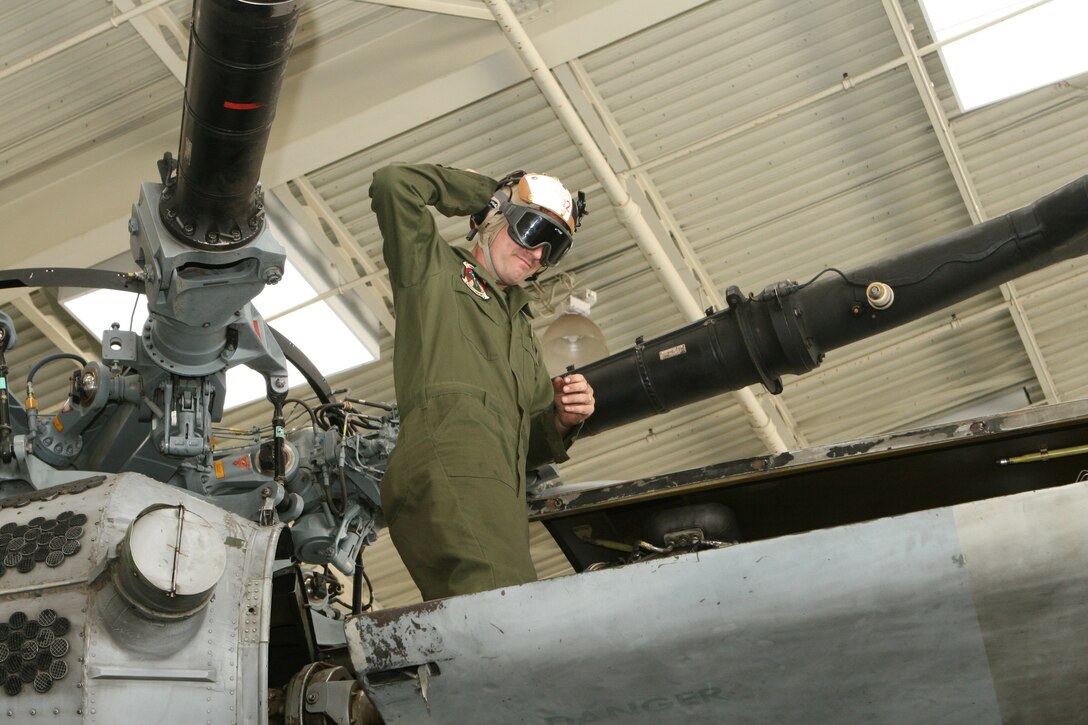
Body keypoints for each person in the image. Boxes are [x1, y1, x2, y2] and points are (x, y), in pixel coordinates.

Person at [369, 163, 596, 600]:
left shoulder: (524, 334)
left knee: (504, 613)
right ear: (496, 217)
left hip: (499, 495)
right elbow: (393, 184)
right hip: (452, 466)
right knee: (505, 613)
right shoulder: (432, 270)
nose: (537, 255)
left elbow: (527, 440)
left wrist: (564, 420)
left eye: (554, 248)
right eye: (533, 231)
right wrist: (487, 192)